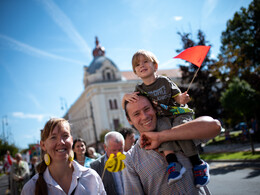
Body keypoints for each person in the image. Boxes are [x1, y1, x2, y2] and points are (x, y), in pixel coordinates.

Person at [122, 49, 209, 186]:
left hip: (177, 113)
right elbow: (131, 105)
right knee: (161, 130)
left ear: (155, 66)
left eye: (145, 62)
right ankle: (173, 163)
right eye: (137, 65)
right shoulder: (140, 88)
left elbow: (177, 97)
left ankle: (198, 164)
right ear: (135, 72)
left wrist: (182, 98)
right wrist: (125, 97)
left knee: (180, 131)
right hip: (163, 117)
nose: (142, 65)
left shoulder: (164, 80)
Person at [123, 94, 221, 194]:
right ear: (129, 120)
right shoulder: (131, 160)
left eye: (147, 109)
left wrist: (161, 137)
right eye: (136, 114)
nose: (144, 116)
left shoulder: (180, 132)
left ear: (155, 109)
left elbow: (215, 126)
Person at [21, 118, 106, 195]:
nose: (61, 142)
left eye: (65, 135)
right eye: (53, 137)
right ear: (43, 145)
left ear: (71, 140)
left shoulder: (91, 177)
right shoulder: (30, 189)